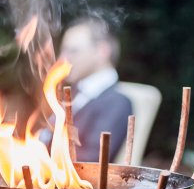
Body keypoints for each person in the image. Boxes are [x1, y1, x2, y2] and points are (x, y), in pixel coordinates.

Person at [39, 16, 132, 161]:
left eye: (73, 51)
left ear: (102, 51)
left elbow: (91, 161)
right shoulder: (73, 93)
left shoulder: (117, 103)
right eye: (63, 51)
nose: (62, 59)